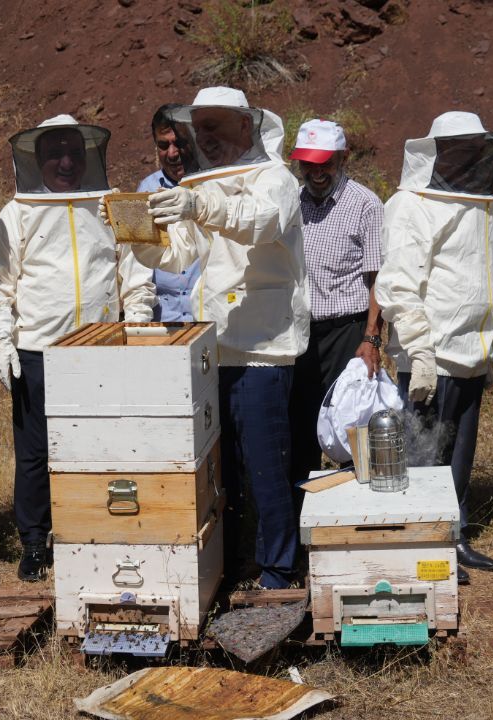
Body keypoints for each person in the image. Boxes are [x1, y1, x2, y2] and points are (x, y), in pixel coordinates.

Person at [133, 87, 309, 590]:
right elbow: (178, 256)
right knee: (220, 468)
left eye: (217, 126)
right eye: (201, 127)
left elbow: (259, 222)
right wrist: (140, 237)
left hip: (263, 348)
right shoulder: (204, 184)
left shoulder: (273, 179)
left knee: (266, 465)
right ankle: (229, 564)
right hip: (215, 346)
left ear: (246, 128)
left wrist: (196, 202)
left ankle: (278, 568)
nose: (208, 136)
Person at [0, 115, 155, 581]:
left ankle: (98, 528)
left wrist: (135, 328)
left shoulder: (118, 203)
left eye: (75, 152)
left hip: (102, 347)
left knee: (103, 446)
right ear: (37, 159)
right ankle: (36, 542)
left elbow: (137, 275)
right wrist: (0, 341)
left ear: (89, 157)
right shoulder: (14, 212)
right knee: (36, 453)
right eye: (55, 152)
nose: (66, 162)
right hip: (38, 350)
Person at [376, 111, 493, 583]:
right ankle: (422, 546)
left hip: (470, 354)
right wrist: (421, 353)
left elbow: (491, 278)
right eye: (456, 149)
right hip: (432, 356)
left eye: (473, 149)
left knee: (458, 457)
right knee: (425, 458)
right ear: (435, 152)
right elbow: (397, 285)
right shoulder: (410, 204)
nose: (466, 157)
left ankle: (454, 537)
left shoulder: (481, 205)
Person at [286, 118, 385, 489]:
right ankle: (306, 518)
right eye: (308, 164)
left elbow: (378, 278)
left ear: (342, 158)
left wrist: (371, 338)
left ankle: (360, 510)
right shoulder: (292, 201)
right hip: (301, 332)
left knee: (352, 424)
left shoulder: (364, 204)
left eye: (324, 163)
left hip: (348, 331)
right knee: (302, 426)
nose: (316, 172)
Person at [138, 103, 201, 322]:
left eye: (179, 143)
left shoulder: (212, 185)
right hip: (164, 321)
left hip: (209, 318)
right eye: (163, 145)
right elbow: (139, 264)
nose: (172, 153)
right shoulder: (146, 190)